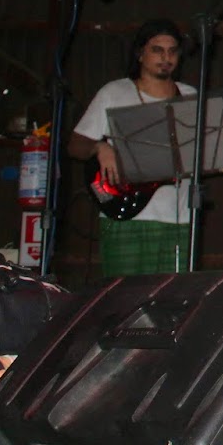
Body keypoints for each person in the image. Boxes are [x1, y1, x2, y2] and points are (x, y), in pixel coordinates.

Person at [69, 19, 197, 276]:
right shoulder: (114, 92)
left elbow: (205, 151)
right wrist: (100, 148)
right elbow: (75, 146)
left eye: (172, 51)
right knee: (124, 294)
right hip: (126, 215)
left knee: (174, 296)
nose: (166, 58)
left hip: (180, 218)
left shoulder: (192, 96)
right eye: (157, 50)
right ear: (140, 53)